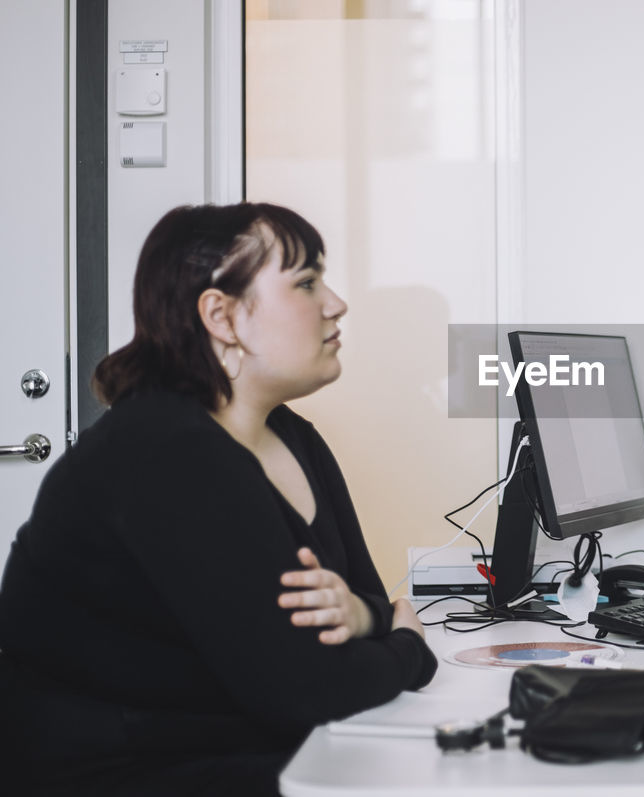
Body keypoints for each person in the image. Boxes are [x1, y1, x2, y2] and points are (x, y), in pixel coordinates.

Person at [0, 203, 438, 796]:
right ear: (222, 315)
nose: (335, 303)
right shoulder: (166, 452)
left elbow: (361, 603)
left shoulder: (292, 436)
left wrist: (367, 618)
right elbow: (305, 688)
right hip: (132, 774)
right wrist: (410, 649)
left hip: (241, 741)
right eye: (306, 283)